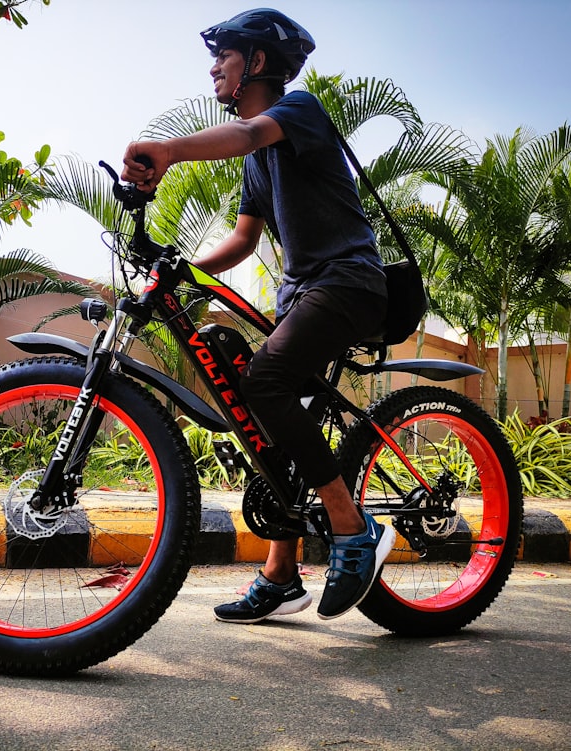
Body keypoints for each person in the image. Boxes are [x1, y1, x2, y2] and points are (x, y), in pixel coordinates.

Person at [121, 8, 396, 625]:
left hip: (348, 282)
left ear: (259, 63)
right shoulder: (256, 156)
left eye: (225, 55)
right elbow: (245, 240)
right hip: (303, 295)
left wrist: (167, 150)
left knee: (264, 381)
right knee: (275, 420)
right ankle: (281, 573)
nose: (214, 67)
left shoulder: (297, 112)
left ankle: (352, 529)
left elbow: (247, 136)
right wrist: (183, 269)